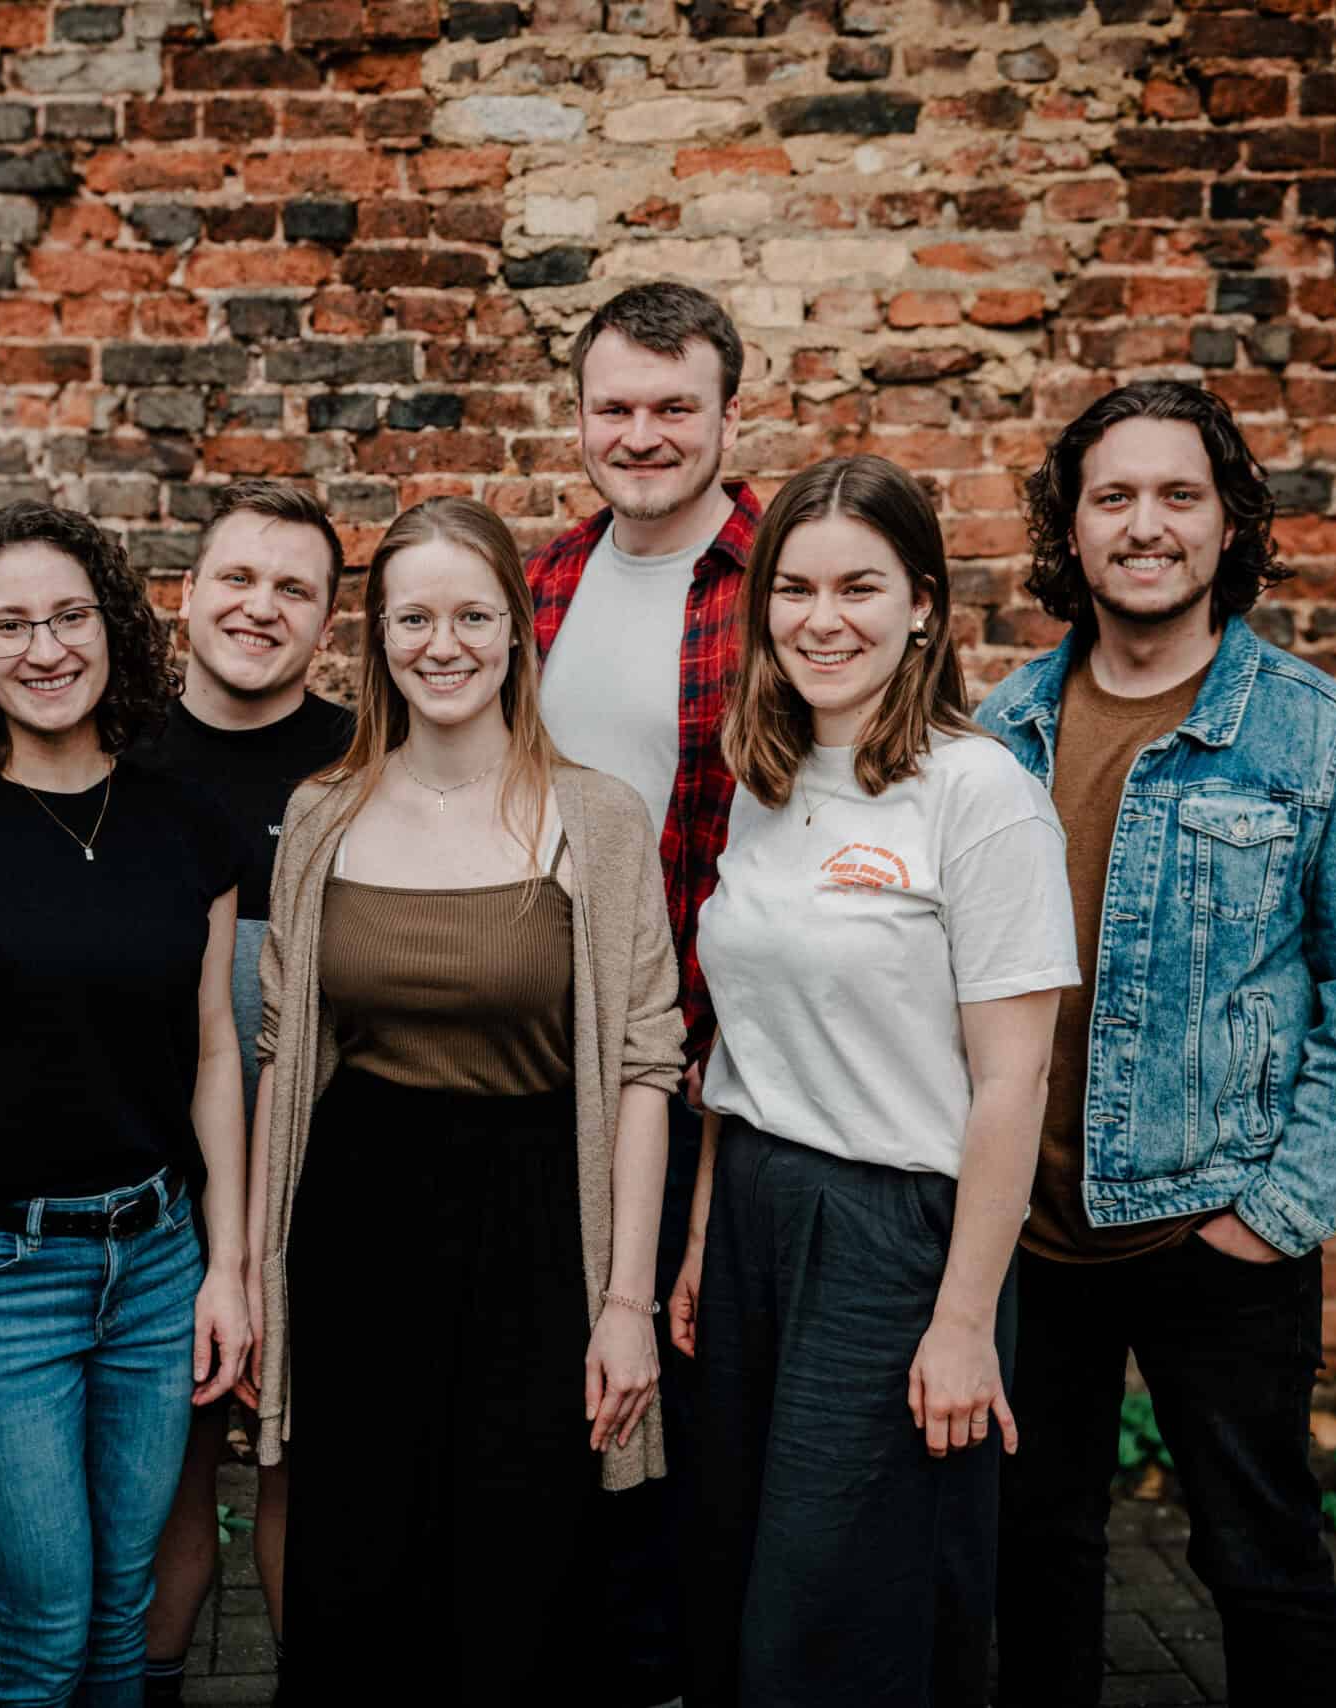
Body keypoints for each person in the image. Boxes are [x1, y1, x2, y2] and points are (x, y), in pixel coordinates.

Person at [978, 380, 1336, 1707]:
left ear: (1230, 522)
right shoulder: (1002, 730)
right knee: (1034, 1553)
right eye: (1112, 496)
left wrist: (1273, 1216)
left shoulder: (1324, 738)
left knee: (1260, 1562)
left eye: (1179, 495)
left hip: (1212, 1230)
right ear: (1070, 527)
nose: (1145, 526)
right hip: (1027, 1237)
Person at [244, 496, 684, 1707]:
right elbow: (285, 1050)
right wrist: (258, 1267)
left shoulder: (596, 818)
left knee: (518, 1571)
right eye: (413, 618)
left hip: (535, 1234)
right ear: (377, 636)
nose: (443, 645)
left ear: (516, 633)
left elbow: (645, 1066)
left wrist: (626, 1304)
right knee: (356, 1563)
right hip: (355, 1230)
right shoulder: (322, 815)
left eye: (473, 616)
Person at [672, 455, 1076, 1707]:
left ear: (923, 606)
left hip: (893, 1232)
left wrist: (963, 1322)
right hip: (752, 1209)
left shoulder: (980, 794)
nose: (821, 619)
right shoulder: (765, 776)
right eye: (793, 589)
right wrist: (702, 1238)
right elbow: (737, 1044)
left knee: (841, 1601)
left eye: (859, 587)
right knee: (731, 1568)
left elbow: (1014, 1081)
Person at [0, 501, 253, 1708]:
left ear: (112, 630)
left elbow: (214, 1052)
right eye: (11, 624)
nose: (45, 648)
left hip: (156, 1265)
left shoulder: (188, 828)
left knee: (122, 1609)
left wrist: (228, 1268)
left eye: (70, 616)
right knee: (40, 1626)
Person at [523, 281, 760, 1708]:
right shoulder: (545, 581)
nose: (643, 433)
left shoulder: (785, 579)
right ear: (578, 418)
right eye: (614, 407)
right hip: (551, 1069)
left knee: (683, 1416)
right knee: (567, 1400)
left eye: (675, 406)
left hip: (718, 1079)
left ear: (731, 412)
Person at [134, 482, 355, 1706]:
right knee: (165, 1473)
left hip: (322, 1185)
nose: (260, 607)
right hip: (151, 1189)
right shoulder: (114, 755)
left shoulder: (362, 766)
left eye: (293, 589)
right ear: (186, 593)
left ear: (326, 621)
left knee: (296, 1467)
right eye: (237, 578)